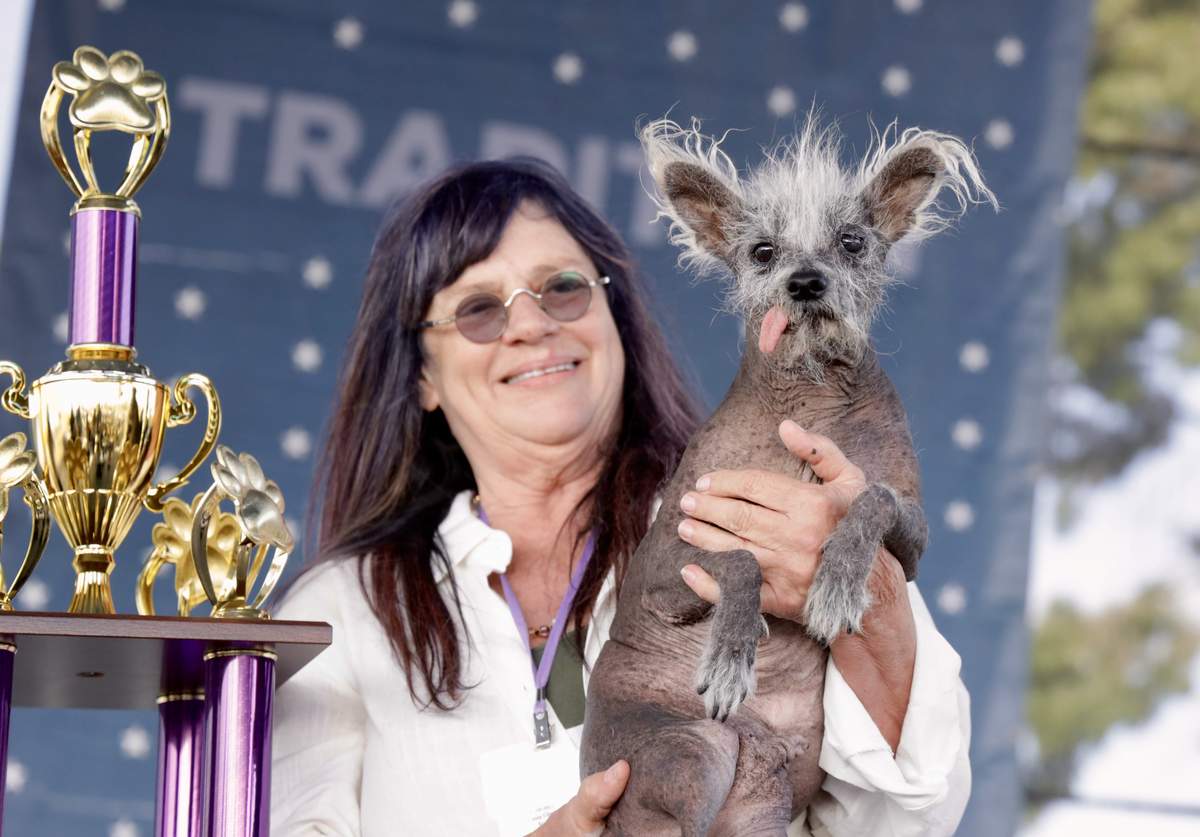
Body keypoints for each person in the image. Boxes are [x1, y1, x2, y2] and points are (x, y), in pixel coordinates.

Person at [270, 158, 971, 836]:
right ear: (422, 375)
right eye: (479, 309)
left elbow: (910, 813)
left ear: (615, 319)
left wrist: (870, 588)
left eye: (564, 288)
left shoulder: (769, 511)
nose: (530, 323)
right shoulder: (340, 615)